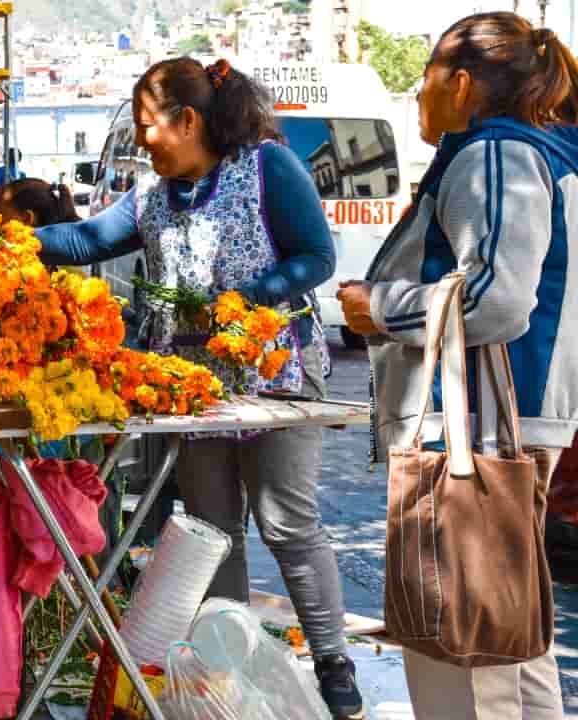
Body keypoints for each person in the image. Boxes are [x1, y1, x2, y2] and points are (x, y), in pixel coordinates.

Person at [34, 58, 362, 719]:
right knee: (212, 530)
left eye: (146, 127)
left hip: (275, 379)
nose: (141, 141)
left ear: (187, 120)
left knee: (286, 521)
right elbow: (89, 238)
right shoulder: (153, 196)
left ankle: (333, 663)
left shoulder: (269, 168)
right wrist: (15, 238)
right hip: (189, 391)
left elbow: (316, 257)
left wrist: (254, 295)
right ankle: (228, 673)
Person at [338, 12, 578, 720]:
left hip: (476, 425)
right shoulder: (555, 153)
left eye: (425, 79)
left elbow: (497, 299)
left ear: (462, 81)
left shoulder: (494, 155)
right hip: (523, 417)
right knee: (509, 637)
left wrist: (379, 306)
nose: (418, 96)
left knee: (458, 646)